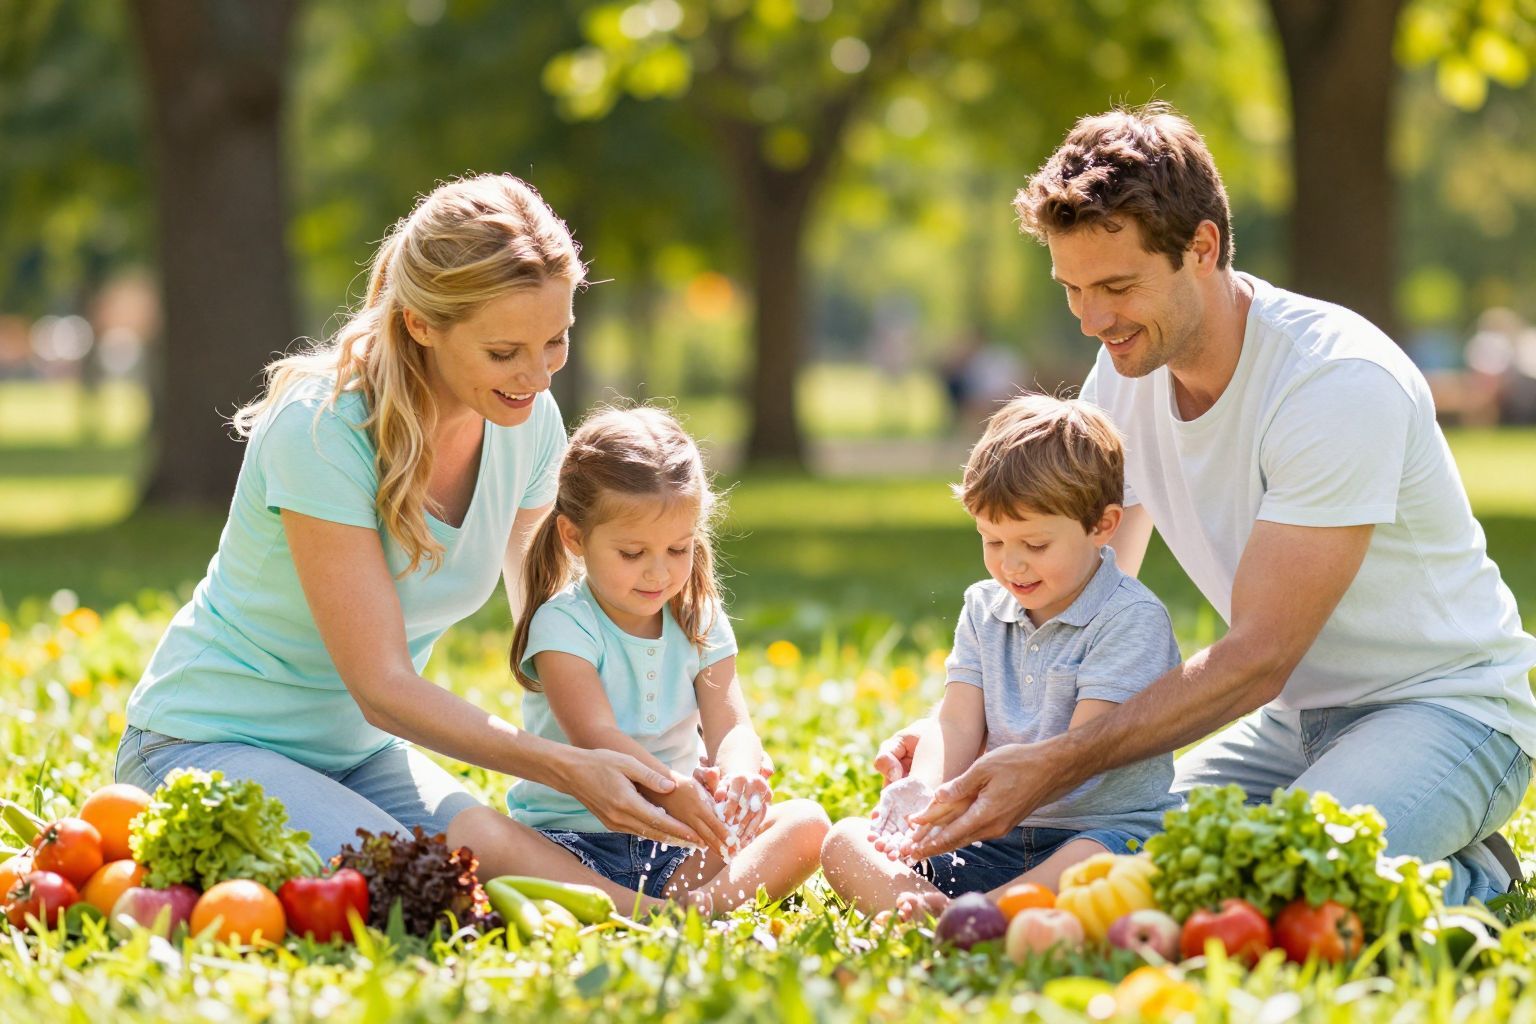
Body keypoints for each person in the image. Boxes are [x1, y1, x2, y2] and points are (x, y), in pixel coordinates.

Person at [889, 105, 1536, 904]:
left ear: (1203, 247)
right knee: (1120, 863)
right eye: (1073, 290)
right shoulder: (1123, 376)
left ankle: (1470, 875)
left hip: (1446, 711)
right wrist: (983, 737)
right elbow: (1077, 598)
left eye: (1118, 287)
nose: (1094, 321)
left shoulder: (1333, 382)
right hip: (1292, 727)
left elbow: (1258, 657)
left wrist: (1055, 764)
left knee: (1270, 890)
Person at [117, 175, 711, 860]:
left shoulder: (526, 422)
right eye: (503, 352)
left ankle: (659, 926)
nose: (538, 376)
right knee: (412, 881)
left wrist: (660, 757)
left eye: (556, 340)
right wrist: (565, 767)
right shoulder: (323, 426)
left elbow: (558, 624)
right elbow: (382, 687)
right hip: (206, 742)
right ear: (421, 323)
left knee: (497, 853)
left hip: (363, 757)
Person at [448, 407, 829, 915]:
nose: (658, 572)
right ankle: (648, 911)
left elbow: (731, 726)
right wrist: (673, 792)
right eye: (631, 553)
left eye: (678, 548)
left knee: (807, 824)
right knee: (474, 832)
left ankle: (692, 907)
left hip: (680, 845)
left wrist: (739, 769)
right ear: (574, 537)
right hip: (571, 845)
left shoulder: (700, 620)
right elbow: (597, 738)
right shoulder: (564, 624)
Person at [820, 395, 1180, 918]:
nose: (1012, 565)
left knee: (1098, 864)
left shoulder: (1130, 619)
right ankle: (949, 913)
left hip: (1098, 833)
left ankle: (976, 917)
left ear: (1103, 526)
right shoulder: (984, 607)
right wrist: (926, 790)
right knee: (844, 842)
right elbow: (957, 720)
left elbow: (1076, 758)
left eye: (1035, 544)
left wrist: (971, 803)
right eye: (992, 540)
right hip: (997, 838)